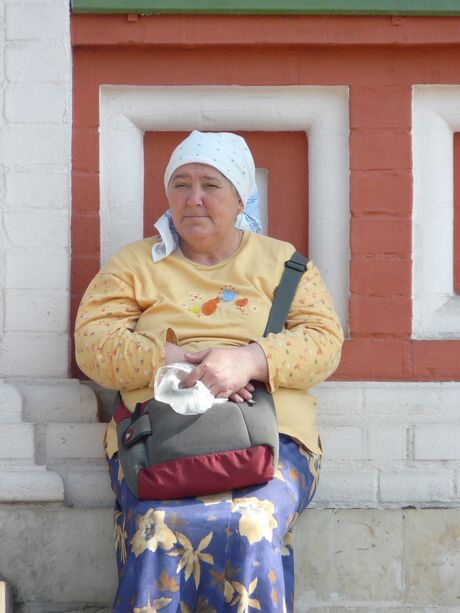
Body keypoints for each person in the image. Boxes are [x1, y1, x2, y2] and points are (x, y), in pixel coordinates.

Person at [75, 130, 344, 612]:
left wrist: (246, 362)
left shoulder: (285, 263)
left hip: (268, 441)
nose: (193, 199)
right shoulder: (134, 265)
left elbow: (324, 343)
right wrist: (176, 361)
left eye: (210, 185)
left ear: (241, 196)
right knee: (157, 525)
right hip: (159, 441)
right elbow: (93, 346)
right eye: (181, 184)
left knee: (253, 522)